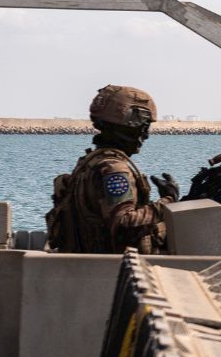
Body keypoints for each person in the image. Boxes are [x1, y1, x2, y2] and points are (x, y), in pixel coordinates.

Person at [44, 84, 179, 253]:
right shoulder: (115, 169)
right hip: (111, 268)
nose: (145, 136)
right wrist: (168, 201)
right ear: (128, 126)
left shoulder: (90, 162)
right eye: (143, 128)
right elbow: (123, 225)